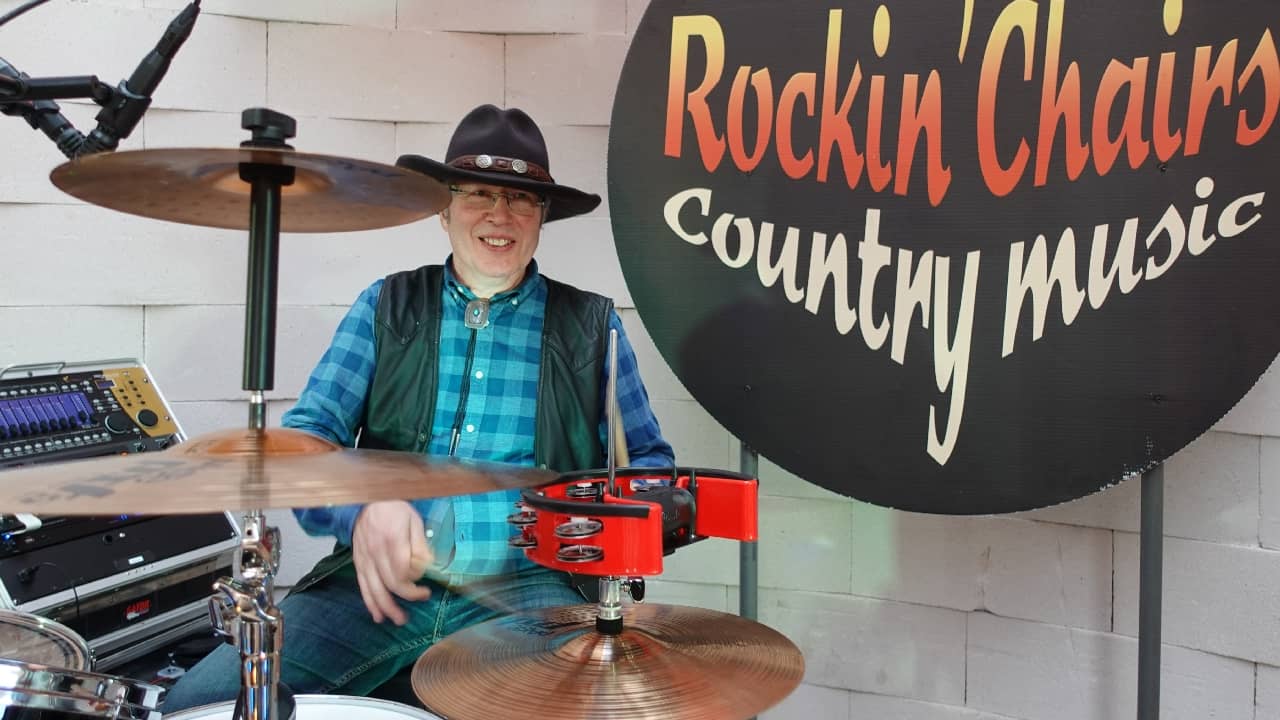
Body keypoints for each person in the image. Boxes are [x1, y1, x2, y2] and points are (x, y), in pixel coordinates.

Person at [162, 104, 675, 711]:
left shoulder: (593, 327)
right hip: (376, 587)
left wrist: (598, 525)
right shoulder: (386, 305)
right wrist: (362, 509)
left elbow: (647, 465)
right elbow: (306, 438)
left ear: (542, 217)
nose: (498, 215)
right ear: (444, 207)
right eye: (478, 193)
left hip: (533, 587)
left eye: (521, 200)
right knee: (201, 706)